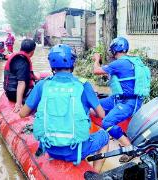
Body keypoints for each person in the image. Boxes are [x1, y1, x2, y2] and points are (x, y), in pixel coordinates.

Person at [19, 44, 109, 172]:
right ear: (73, 63)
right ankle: (95, 173)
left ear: (52, 64)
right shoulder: (83, 85)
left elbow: (23, 114)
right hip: (75, 150)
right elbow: (101, 114)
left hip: (50, 149)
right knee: (104, 136)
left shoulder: (42, 85)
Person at [92, 37, 151, 163]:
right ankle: (93, 131)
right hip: (118, 99)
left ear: (114, 50)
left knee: (107, 123)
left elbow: (96, 70)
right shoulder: (130, 61)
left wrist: (96, 60)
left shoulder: (119, 63)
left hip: (128, 102)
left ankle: (130, 150)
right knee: (93, 104)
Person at [3, 39, 37, 113]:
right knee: (40, 90)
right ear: (32, 52)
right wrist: (18, 103)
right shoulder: (23, 62)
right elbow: (21, 83)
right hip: (14, 95)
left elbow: (29, 74)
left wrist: (36, 77)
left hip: (9, 91)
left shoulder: (16, 57)